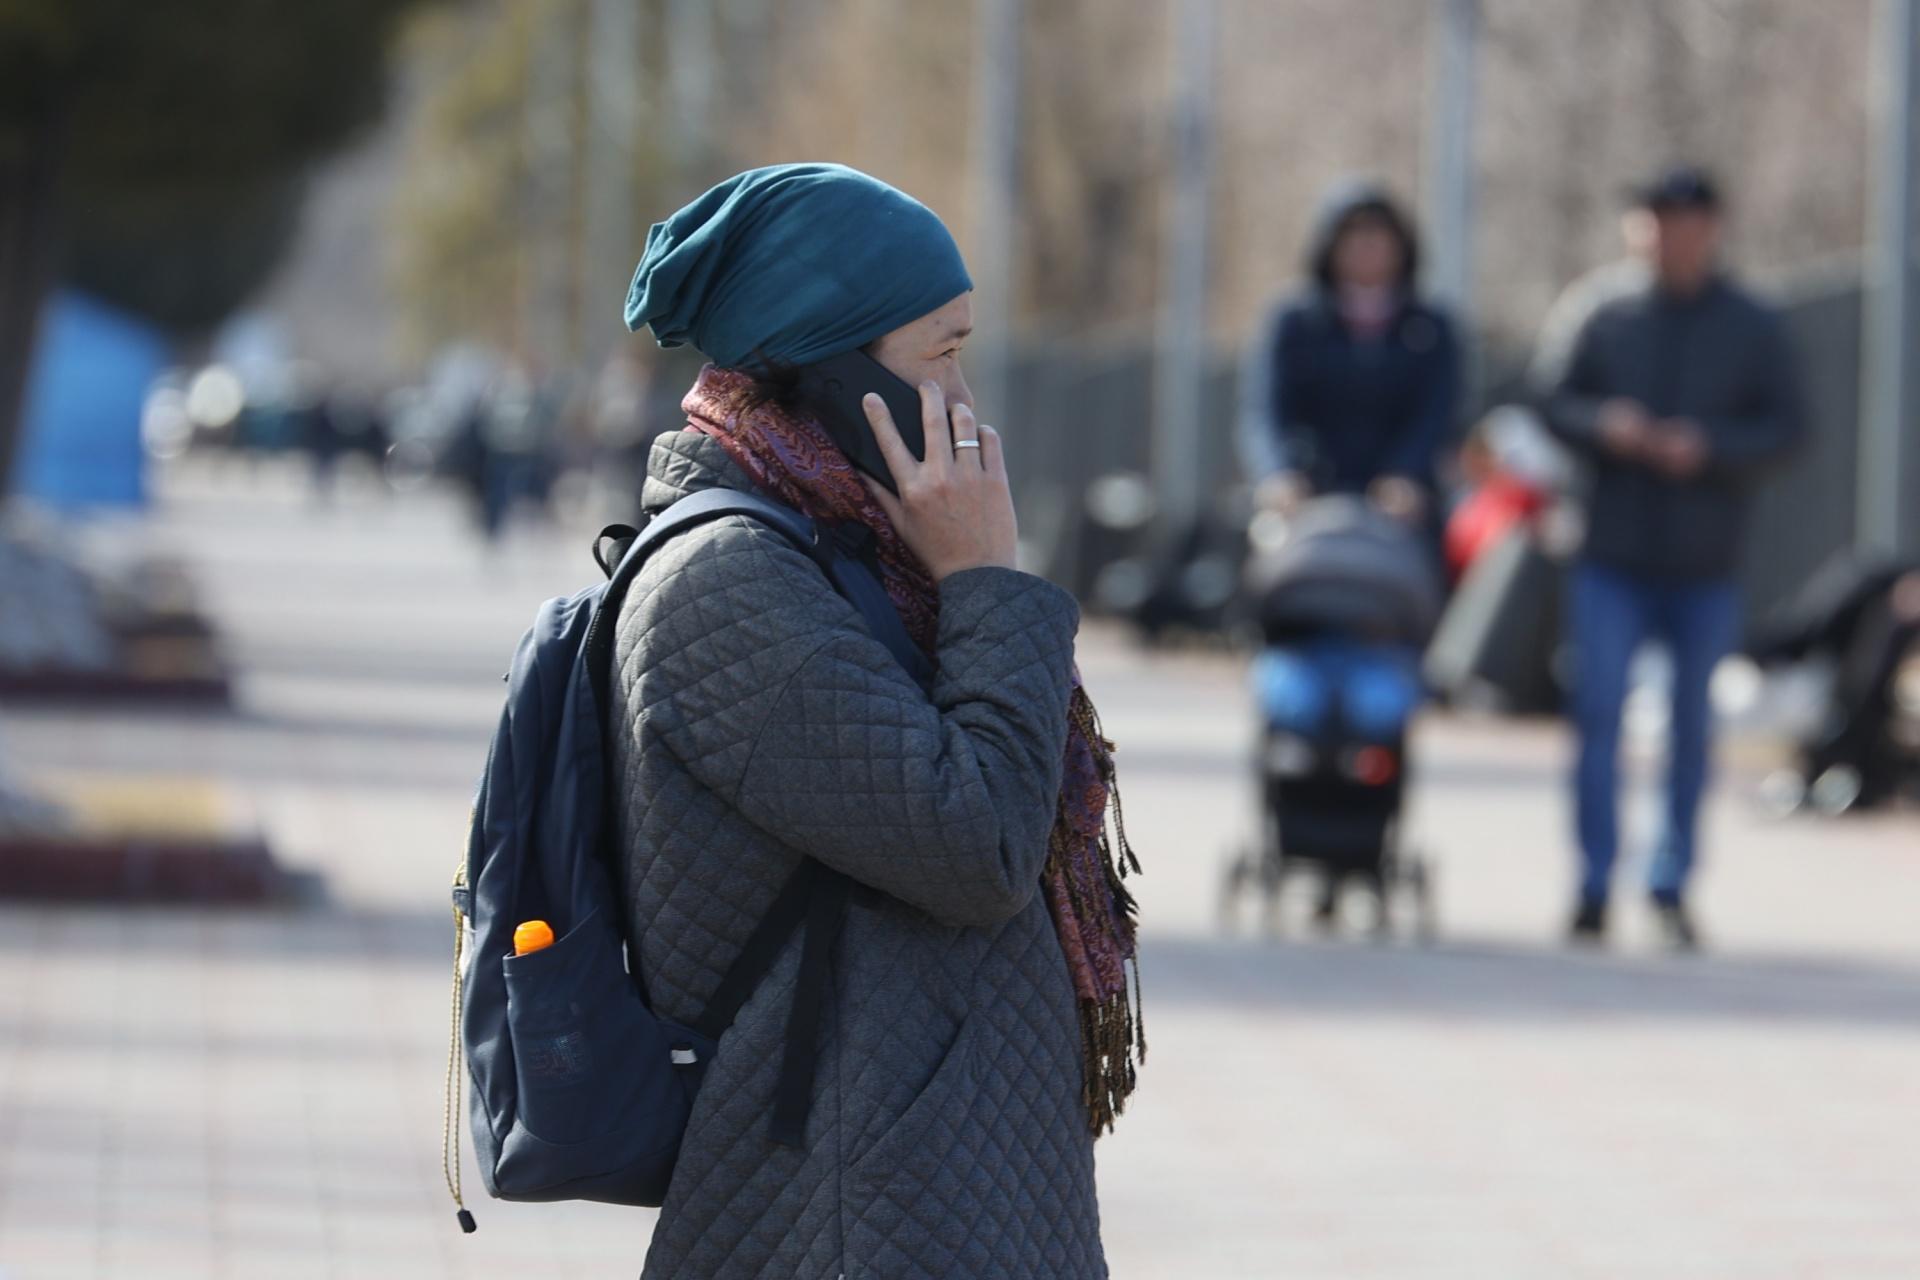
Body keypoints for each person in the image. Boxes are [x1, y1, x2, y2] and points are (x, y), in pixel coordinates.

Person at [613, 164, 1139, 1279]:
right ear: (837, 371)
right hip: (856, 1198)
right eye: (941, 354)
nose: (965, 400)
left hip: (925, 1175)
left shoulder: (849, 548)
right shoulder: (727, 586)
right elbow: (981, 843)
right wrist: (988, 583)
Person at [1533, 166, 1804, 949]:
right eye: (1655, 222)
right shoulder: (1600, 310)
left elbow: (1789, 427)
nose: (1670, 238)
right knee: (1599, 715)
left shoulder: (1751, 322)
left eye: (1686, 223)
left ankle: (1671, 883)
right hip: (1611, 552)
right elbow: (1549, 401)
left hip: (1704, 558)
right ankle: (1591, 882)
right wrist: (1604, 425)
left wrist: (1711, 448)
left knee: (1692, 727)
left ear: (1712, 230)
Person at [1238, 179, 1460, 527]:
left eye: (1378, 235)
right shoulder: (1295, 323)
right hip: (1306, 497)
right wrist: (1279, 474)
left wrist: (1406, 475)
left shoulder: (1429, 328)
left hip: (1403, 506)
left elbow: (1438, 412)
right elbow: (1266, 412)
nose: (1366, 246)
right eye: (1353, 235)